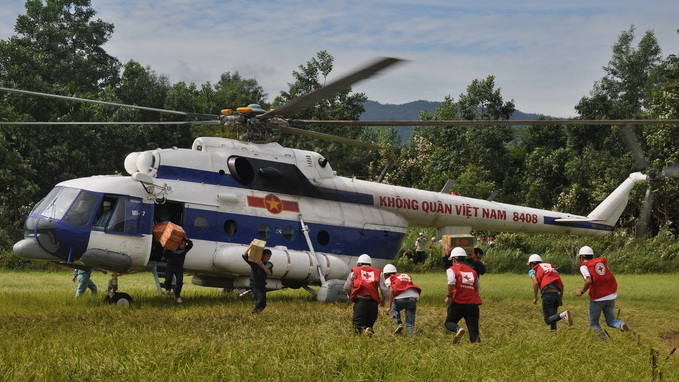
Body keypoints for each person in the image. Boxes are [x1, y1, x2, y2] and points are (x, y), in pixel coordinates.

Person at [575, 246, 630, 338]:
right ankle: (621, 324)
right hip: (610, 296)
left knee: (594, 324)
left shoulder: (584, 266)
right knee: (611, 321)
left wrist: (581, 292)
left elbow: (588, 281)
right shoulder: (601, 262)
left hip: (597, 298)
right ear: (592, 256)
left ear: (581, 257)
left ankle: (604, 340)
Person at [343, 254, 388, 336]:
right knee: (370, 324)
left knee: (358, 324)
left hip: (361, 302)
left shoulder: (355, 271)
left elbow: (347, 287)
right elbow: (384, 289)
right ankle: (368, 336)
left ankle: (358, 342)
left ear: (359, 264)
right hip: (373, 303)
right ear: (370, 264)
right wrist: (383, 300)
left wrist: (349, 295)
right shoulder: (378, 273)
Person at [444, 247, 482, 344]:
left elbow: (451, 282)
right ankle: (477, 348)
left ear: (454, 259)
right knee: (474, 331)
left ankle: (458, 330)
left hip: (458, 303)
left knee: (449, 323)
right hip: (473, 304)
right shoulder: (473, 272)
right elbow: (477, 288)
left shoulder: (452, 270)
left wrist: (449, 296)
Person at [527, 254, 573, 331]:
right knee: (553, 318)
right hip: (557, 294)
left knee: (547, 320)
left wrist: (535, 297)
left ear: (531, 264)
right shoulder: (552, 269)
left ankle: (563, 315)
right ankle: (553, 335)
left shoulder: (533, 270)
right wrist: (560, 299)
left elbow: (535, 283)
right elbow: (562, 285)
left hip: (548, 295)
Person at [382, 264, 421, 335]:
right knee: (410, 318)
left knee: (394, 307)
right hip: (413, 297)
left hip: (401, 299)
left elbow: (391, 290)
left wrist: (389, 306)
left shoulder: (389, 279)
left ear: (385, 274)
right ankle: (411, 334)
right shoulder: (404, 275)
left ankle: (399, 323)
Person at [242, 244, 273, 314]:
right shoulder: (254, 262)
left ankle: (256, 314)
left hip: (262, 285)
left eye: (269, 256)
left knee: (264, 303)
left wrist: (262, 265)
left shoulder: (269, 264)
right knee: (260, 299)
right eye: (267, 255)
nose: (268, 257)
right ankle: (253, 314)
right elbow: (244, 255)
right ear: (262, 255)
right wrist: (251, 246)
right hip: (255, 285)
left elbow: (269, 273)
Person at [162, 236, 193, 303]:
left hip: (179, 269)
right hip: (170, 267)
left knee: (179, 282)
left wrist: (187, 239)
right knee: (168, 279)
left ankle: (177, 295)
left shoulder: (184, 250)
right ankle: (168, 289)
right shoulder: (171, 249)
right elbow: (165, 256)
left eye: (184, 244)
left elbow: (191, 244)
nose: (183, 246)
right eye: (182, 244)